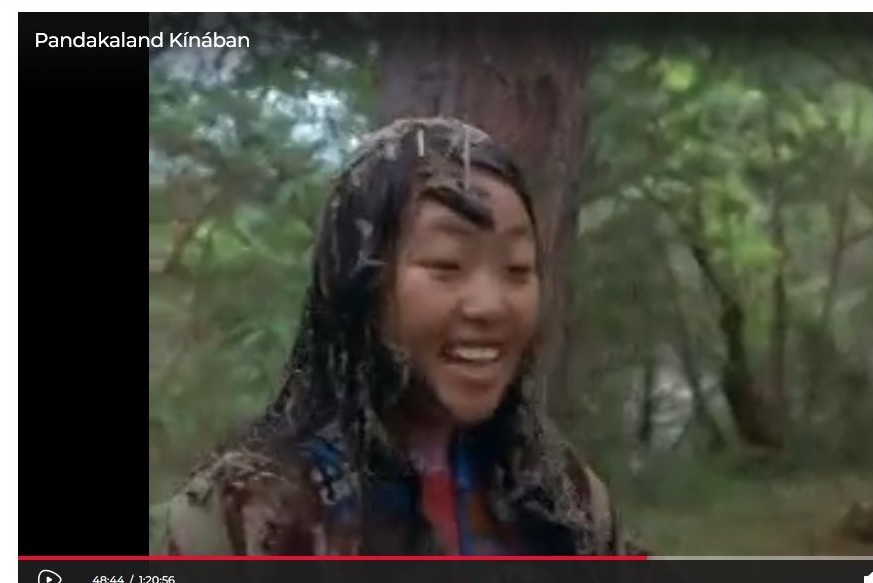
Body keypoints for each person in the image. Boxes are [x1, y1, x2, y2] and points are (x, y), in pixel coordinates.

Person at [163, 117, 633, 555]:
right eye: (447, 265)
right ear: (358, 286)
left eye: (517, 269)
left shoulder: (566, 502)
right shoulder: (247, 512)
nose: (491, 305)